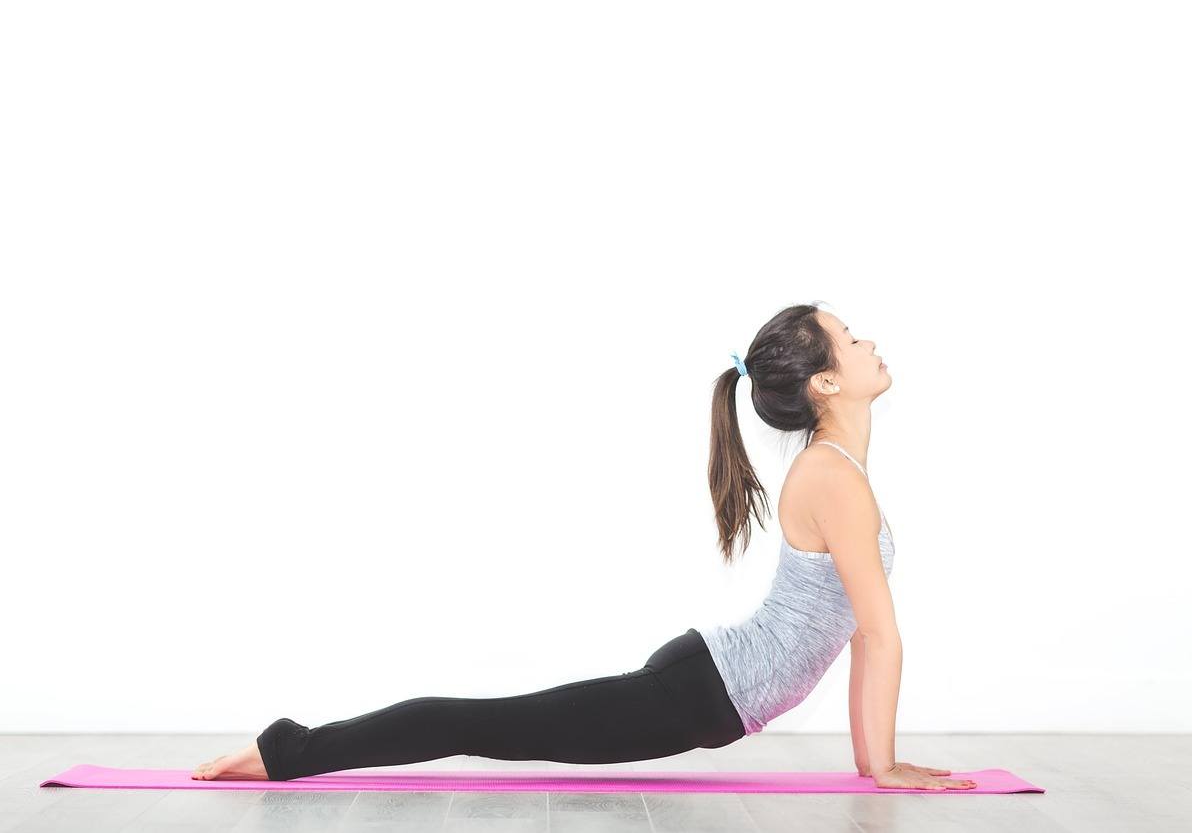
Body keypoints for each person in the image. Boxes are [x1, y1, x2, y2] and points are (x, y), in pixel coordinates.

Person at [192, 302, 976, 791]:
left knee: (490, 723)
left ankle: (291, 748)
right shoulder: (835, 478)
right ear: (826, 384)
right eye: (851, 336)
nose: (870, 342)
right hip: (701, 691)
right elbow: (877, 632)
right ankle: (290, 750)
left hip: (706, 681)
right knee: (480, 723)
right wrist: (884, 766)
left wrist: (877, 765)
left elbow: (866, 637)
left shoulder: (836, 471)